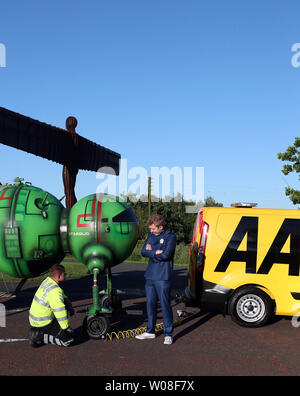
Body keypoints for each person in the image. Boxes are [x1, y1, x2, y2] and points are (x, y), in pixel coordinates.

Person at [136, 214, 176, 345]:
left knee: (165, 305)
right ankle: (150, 331)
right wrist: (155, 251)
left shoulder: (170, 237)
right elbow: (143, 251)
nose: (151, 231)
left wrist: (151, 251)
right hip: (150, 275)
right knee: (150, 304)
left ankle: (168, 333)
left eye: (153, 229)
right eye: (150, 229)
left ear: (161, 227)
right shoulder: (151, 235)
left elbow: (165, 255)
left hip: (163, 276)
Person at [28, 264, 75, 348]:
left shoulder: (48, 281)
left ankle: (39, 331)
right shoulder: (55, 292)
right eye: (65, 274)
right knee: (68, 341)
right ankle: (38, 336)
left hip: (35, 319)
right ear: (59, 276)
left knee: (65, 306)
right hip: (43, 322)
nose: (66, 275)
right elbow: (60, 312)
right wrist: (66, 328)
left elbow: (61, 295)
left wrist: (68, 302)